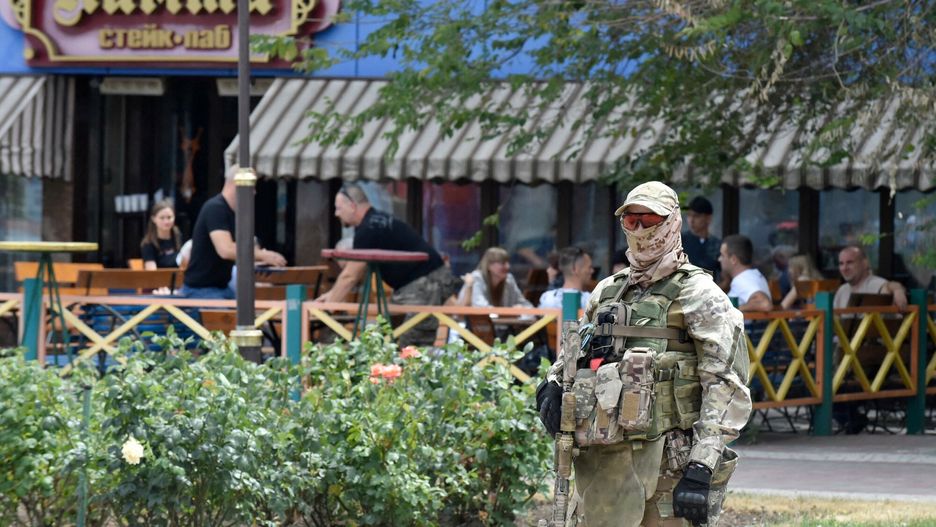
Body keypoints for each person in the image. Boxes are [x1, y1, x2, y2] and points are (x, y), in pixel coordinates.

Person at [536, 181, 751, 527]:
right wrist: (552, 384)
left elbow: (726, 384)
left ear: (672, 222)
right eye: (631, 220)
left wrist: (702, 465)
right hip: (600, 465)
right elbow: (573, 356)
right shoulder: (608, 290)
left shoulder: (699, 294)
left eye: (650, 219)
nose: (639, 229)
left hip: (667, 465)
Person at [316, 183, 460, 346]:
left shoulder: (368, 229)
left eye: (338, 208)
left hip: (425, 283)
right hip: (417, 285)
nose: (336, 214)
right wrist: (333, 295)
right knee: (382, 338)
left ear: (352, 206)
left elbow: (351, 275)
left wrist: (328, 308)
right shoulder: (376, 221)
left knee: (412, 346)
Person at [181, 166, 287, 299]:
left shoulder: (235, 213)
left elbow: (240, 249)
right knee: (240, 316)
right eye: (251, 186)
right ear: (236, 184)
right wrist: (262, 255)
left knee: (254, 313)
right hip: (202, 290)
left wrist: (258, 260)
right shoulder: (215, 208)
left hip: (221, 288)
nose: (254, 192)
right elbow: (225, 250)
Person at [833, 245, 908, 310]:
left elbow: (889, 286)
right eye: (841, 264)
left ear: (865, 263)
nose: (844, 268)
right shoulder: (842, 290)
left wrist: (898, 290)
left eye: (850, 262)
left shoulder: (875, 283)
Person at [458, 247, 533, 308]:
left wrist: (521, 308)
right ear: (489, 265)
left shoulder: (509, 279)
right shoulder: (477, 278)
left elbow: (526, 305)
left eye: (508, 262)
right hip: (470, 326)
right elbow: (481, 308)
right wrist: (510, 312)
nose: (508, 266)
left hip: (502, 325)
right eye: (502, 263)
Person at [718, 234, 773, 312]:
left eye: (722, 255)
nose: (719, 259)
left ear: (733, 259)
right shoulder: (749, 276)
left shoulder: (743, 279)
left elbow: (765, 304)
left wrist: (730, 310)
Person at [537, 246, 593, 311]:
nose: (592, 271)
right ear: (575, 269)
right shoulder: (590, 301)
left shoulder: (547, 298)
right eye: (589, 267)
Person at [682, 196, 721, 278]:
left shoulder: (717, 245)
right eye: (689, 215)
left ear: (708, 218)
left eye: (696, 216)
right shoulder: (680, 241)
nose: (691, 220)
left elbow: (725, 277)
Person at [140, 200, 182, 269]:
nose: (166, 221)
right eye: (162, 218)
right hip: (160, 278)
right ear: (153, 219)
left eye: (169, 217)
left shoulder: (178, 236)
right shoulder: (148, 243)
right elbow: (152, 272)